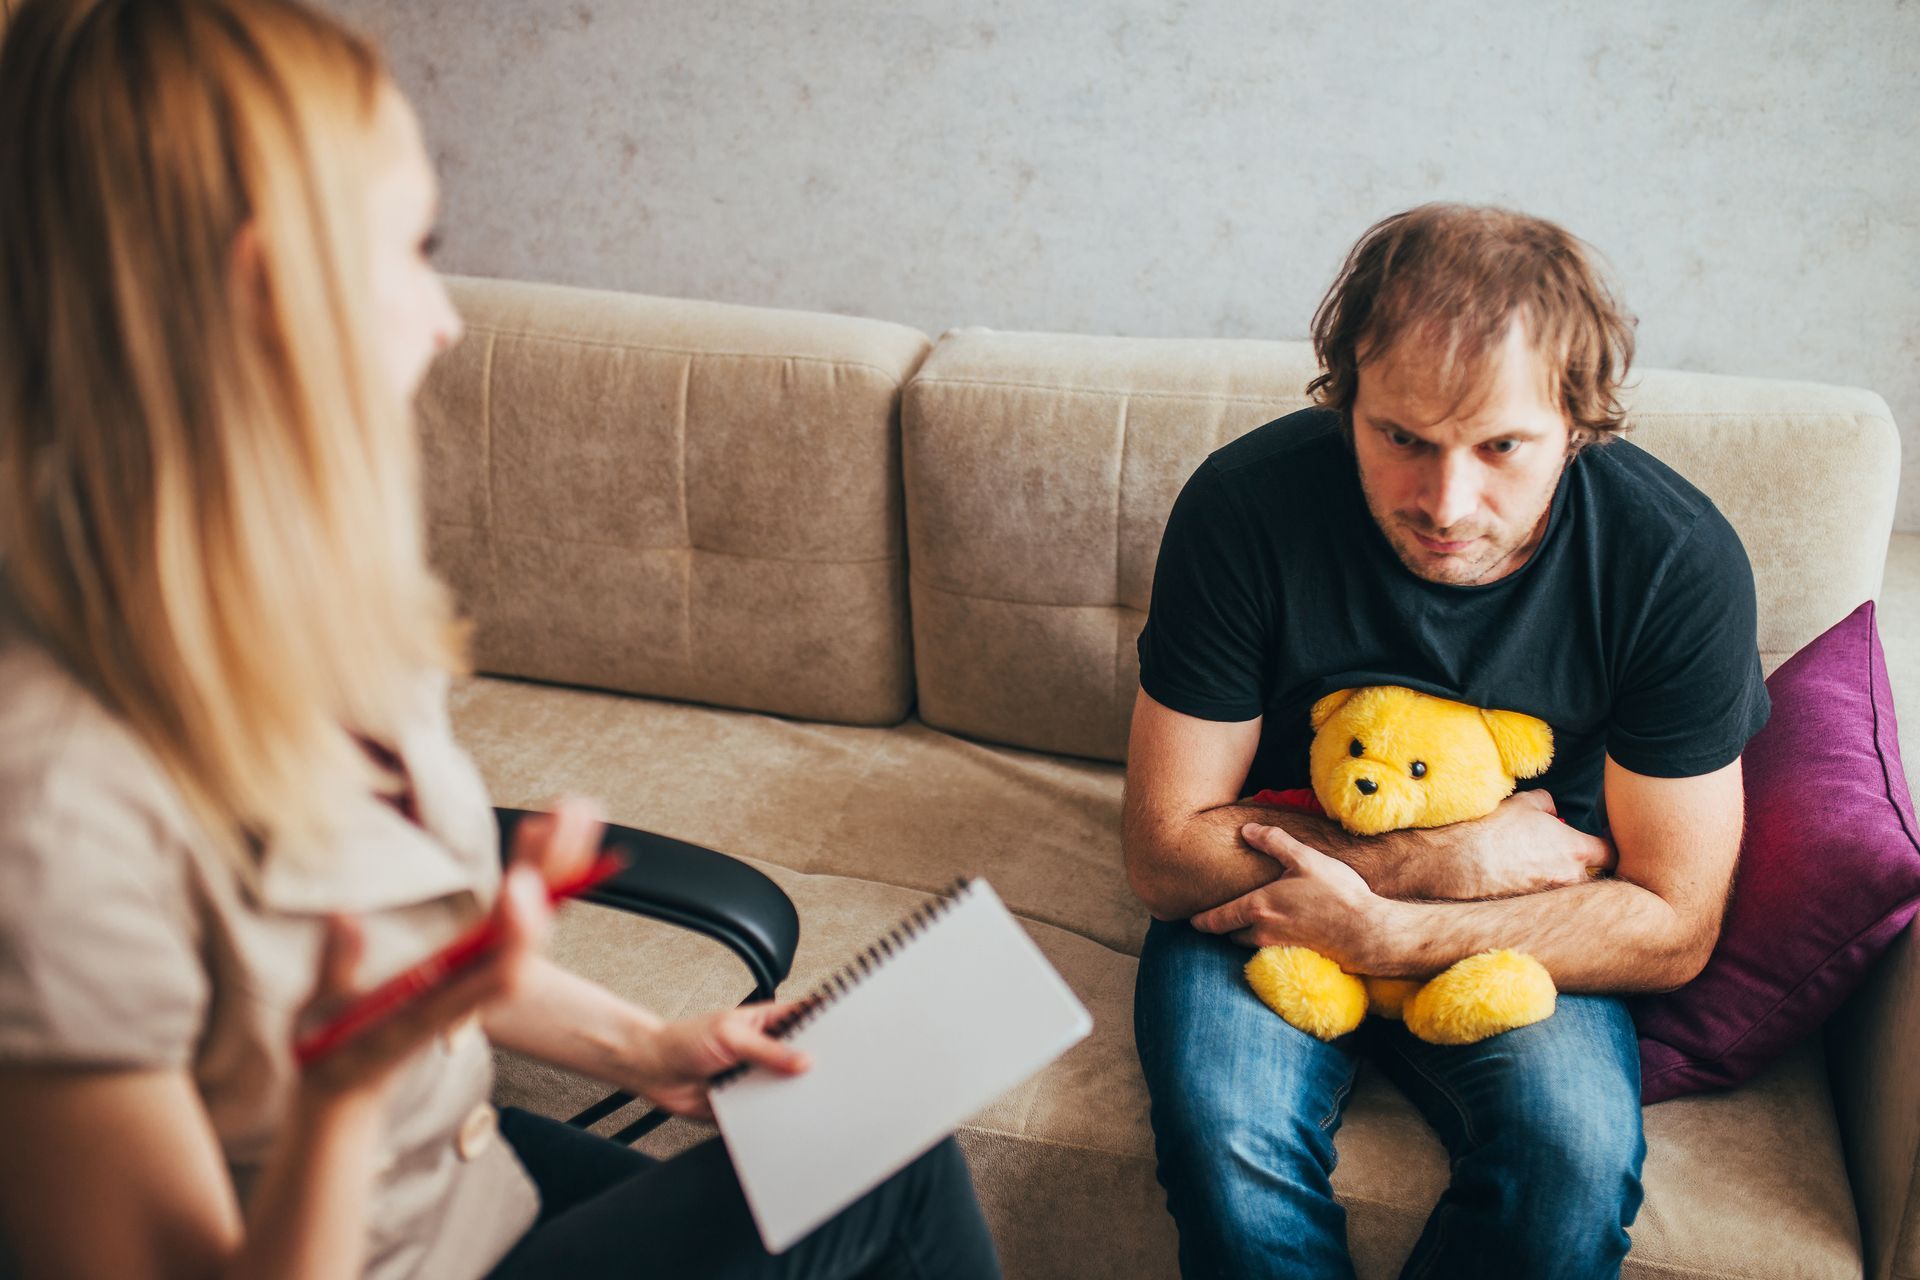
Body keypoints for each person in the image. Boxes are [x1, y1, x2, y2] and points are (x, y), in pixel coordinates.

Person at [0, 2, 1001, 1277]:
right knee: (892, 1178)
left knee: (870, 1125)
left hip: (470, 1186)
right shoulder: (49, 803)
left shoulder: (295, 597)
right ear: (268, 292)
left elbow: (410, 961)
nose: (445, 319)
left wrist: (655, 1047)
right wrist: (341, 1095)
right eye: (413, 250)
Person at [1125, 204, 1768, 1279]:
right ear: (1347, 399)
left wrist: (1391, 932)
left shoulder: (1673, 561)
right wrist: (1444, 861)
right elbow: (1163, 855)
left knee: (1569, 1167)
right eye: (1402, 439)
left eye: (1501, 446)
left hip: (1524, 923)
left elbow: (1673, 925)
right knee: (1228, 1149)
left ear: (1578, 421)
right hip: (1270, 903)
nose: (1446, 502)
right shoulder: (1244, 507)